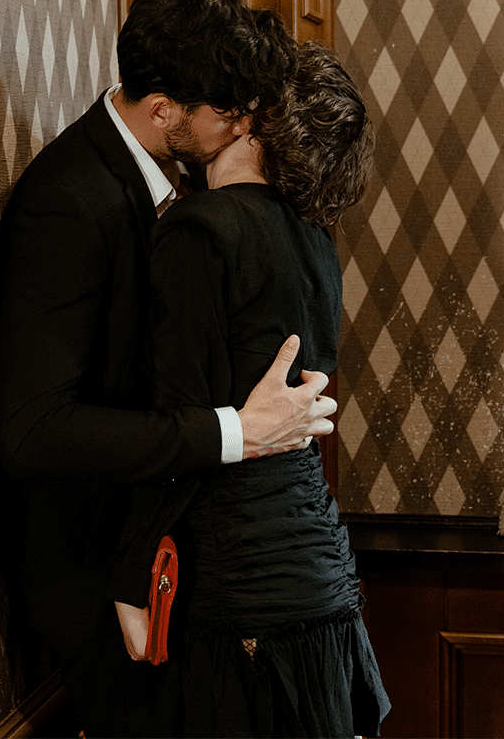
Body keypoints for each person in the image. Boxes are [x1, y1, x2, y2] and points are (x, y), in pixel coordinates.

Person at [0, 0, 338, 737]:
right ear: (164, 109)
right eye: (229, 114)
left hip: (174, 558)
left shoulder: (182, 181)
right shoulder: (68, 200)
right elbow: (32, 430)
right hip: (96, 569)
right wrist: (239, 431)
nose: (245, 126)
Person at [112, 41, 389, 737]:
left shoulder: (199, 231)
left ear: (255, 120)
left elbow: (177, 431)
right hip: (321, 571)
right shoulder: (315, 236)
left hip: (242, 580)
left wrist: (130, 579)